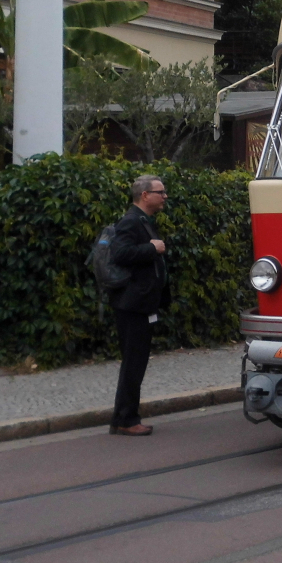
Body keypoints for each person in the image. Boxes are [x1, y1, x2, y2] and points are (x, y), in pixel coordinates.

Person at [108, 175, 170, 436]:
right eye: (160, 192)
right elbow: (120, 253)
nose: (164, 196)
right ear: (145, 195)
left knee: (136, 362)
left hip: (141, 304)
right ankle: (126, 419)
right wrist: (151, 248)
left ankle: (125, 417)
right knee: (133, 363)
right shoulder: (131, 221)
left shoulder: (143, 220)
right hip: (132, 305)